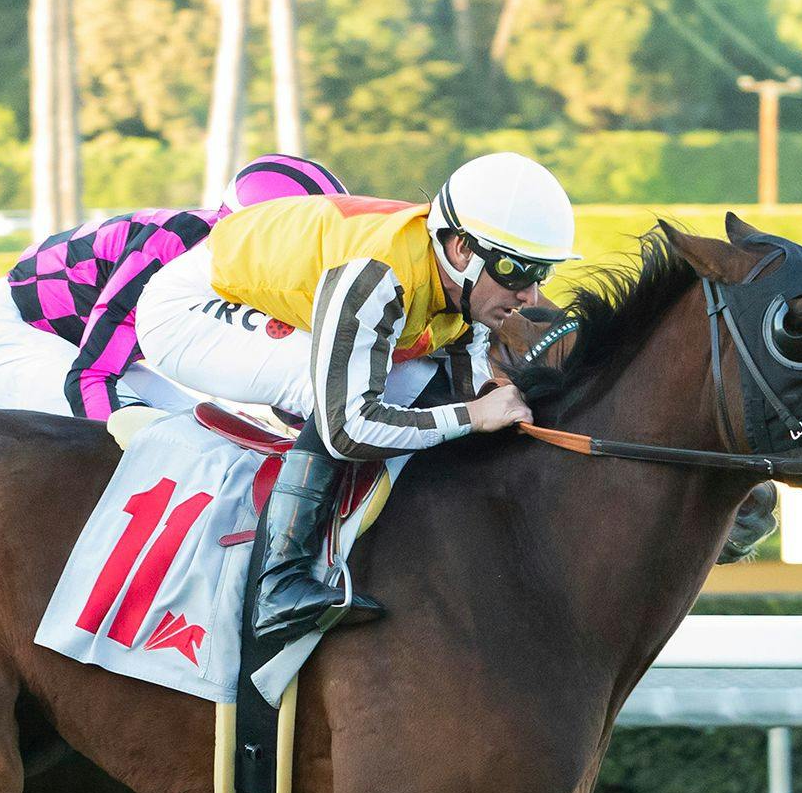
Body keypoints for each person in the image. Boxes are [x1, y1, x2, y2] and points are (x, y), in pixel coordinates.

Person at [131, 151, 577, 646]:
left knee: (422, 386)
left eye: (543, 273)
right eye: (516, 270)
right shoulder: (378, 272)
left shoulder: (459, 284)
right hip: (190, 310)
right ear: (461, 250)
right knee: (321, 388)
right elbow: (349, 428)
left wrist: (492, 405)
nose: (531, 296)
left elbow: (467, 378)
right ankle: (278, 583)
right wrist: (472, 414)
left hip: (285, 292)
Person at [0, 154, 348, 422]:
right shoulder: (173, 246)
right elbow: (90, 377)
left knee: (215, 435)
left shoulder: (265, 271)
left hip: (84, 349)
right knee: (161, 437)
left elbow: (281, 380)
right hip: (10, 333)